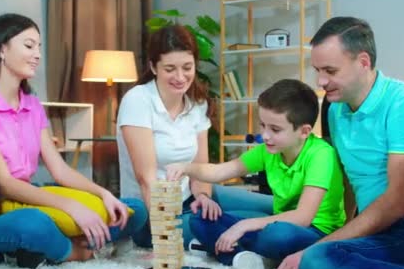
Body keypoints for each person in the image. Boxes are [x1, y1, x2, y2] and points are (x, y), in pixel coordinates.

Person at [0, 13, 146, 269]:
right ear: (2, 49)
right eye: (29, 45)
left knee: (132, 209)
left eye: (39, 47)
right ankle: (75, 251)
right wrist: (70, 206)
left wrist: (104, 194)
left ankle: (50, 247)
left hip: (28, 198)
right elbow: (5, 183)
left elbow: (61, 170)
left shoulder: (32, 105)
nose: (37, 55)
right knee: (33, 223)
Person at [278, 16, 404, 269]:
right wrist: (338, 237)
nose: (321, 81)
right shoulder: (335, 109)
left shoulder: (403, 101)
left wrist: (323, 243)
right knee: (315, 261)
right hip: (386, 234)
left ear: (363, 62)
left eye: (330, 70)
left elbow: (400, 201)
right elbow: (350, 182)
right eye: (317, 70)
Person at [117, 24, 293, 249]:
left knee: (277, 208)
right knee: (246, 225)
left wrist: (203, 196)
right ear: (153, 67)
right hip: (153, 214)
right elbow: (146, 179)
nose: (180, 77)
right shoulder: (138, 100)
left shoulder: (196, 104)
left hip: (191, 200)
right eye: (170, 69)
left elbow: (199, 166)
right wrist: (163, 234)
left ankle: (314, 234)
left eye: (187, 67)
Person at [165, 79, 345, 269]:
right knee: (200, 219)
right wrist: (186, 168)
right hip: (277, 221)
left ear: (304, 131)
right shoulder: (268, 150)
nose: (265, 135)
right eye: (263, 125)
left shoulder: (320, 155)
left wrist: (244, 226)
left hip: (315, 231)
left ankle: (234, 251)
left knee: (276, 235)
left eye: (275, 129)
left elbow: (303, 217)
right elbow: (222, 171)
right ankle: (247, 258)